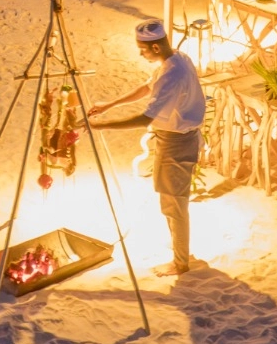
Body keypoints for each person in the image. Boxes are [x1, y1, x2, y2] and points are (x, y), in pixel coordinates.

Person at [86, 19, 207, 277]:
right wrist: (110, 104)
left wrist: (100, 126)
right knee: (170, 200)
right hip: (174, 138)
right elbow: (146, 88)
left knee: (174, 203)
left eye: (141, 48)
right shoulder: (176, 59)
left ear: (153, 48)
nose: (140, 53)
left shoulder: (172, 73)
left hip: (177, 141)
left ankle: (181, 262)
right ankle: (180, 249)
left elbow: (145, 118)